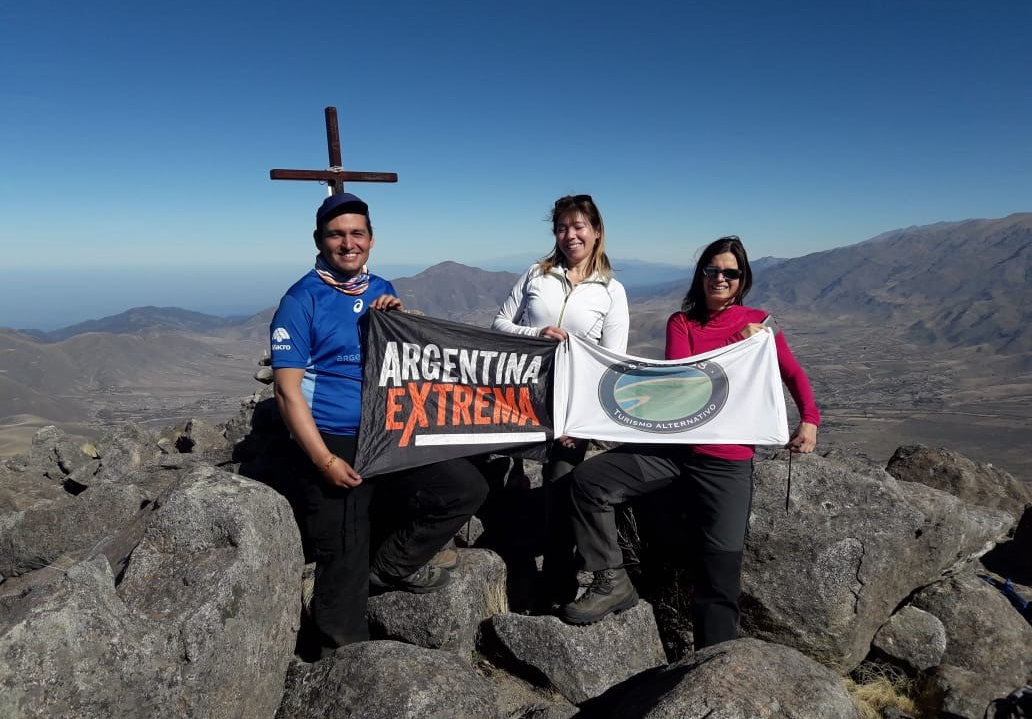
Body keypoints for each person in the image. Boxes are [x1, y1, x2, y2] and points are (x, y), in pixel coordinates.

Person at [559, 235, 820, 649]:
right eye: (712, 270)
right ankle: (612, 579)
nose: (720, 278)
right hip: (673, 450)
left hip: (726, 460)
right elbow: (684, 377)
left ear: (742, 279)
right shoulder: (682, 324)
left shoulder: (761, 324)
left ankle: (713, 665)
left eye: (730, 273)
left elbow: (792, 374)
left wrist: (809, 419)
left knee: (719, 573)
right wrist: (741, 345)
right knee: (589, 483)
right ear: (700, 274)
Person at [270, 192, 488, 654]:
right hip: (334, 437)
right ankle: (340, 655)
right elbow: (287, 392)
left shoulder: (380, 287)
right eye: (336, 235)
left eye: (357, 234)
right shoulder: (300, 300)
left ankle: (387, 569)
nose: (348, 243)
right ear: (318, 240)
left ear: (371, 240)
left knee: (464, 488)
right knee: (343, 548)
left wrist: (400, 322)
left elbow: (399, 354)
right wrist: (324, 460)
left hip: (386, 429)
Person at [492, 194, 629, 606]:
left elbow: (611, 363)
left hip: (572, 408)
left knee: (559, 491)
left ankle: (555, 589)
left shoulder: (611, 291)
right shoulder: (536, 274)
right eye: (562, 228)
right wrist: (538, 335)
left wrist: (581, 420)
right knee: (499, 482)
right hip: (519, 397)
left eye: (578, 227)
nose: (570, 235)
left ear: (596, 231)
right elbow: (498, 324)